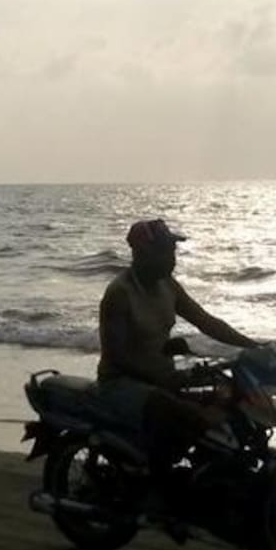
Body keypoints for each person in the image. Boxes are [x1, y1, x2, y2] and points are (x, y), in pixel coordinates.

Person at [98, 218, 257, 510]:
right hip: (121, 384)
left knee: (227, 398)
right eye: (165, 252)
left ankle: (210, 478)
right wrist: (162, 379)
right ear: (143, 254)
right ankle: (159, 489)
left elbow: (206, 321)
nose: (172, 259)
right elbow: (116, 356)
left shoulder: (168, 286)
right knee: (188, 413)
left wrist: (253, 345)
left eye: (173, 251)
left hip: (161, 379)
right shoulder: (120, 293)